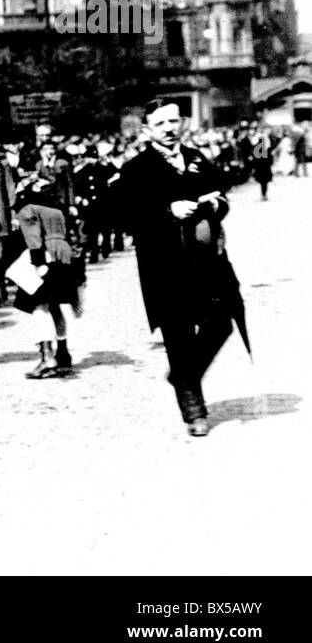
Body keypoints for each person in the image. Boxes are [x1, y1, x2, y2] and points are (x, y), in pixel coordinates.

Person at [111, 100, 249, 437]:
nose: (170, 128)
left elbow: (222, 195)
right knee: (179, 336)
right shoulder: (137, 169)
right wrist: (167, 210)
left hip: (207, 263)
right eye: (161, 124)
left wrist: (216, 204)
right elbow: (123, 216)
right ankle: (194, 412)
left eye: (174, 121)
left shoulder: (198, 159)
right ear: (148, 130)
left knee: (222, 323)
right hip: (165, 268)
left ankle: (183, 377)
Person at [11, 177, 84, 378]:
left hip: (46, 256)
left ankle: (46, 357)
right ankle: (63, 354)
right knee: (56, 306)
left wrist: (37, 261)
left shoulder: (28, 210)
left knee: (39, 306)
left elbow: (33, 237)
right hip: (64, 255)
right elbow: (73, 237)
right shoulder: (58, 211)